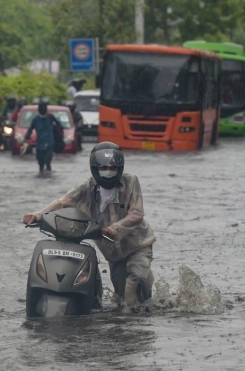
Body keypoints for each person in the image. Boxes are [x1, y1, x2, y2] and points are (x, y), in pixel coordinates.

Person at [23, 142, 155, 308]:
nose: (108, 172)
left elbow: (136, 213)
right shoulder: (87, 187)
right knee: (121, 297)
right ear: (95, 168)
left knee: (137, 279)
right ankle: (127, 321)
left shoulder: (131, 182)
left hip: (138, 244)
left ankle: (140, 319)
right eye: (103, 168)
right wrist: (38, 215)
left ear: (119, 168)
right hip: (113, 252)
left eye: (112, 168)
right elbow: (63, 202)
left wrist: (114, 229)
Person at [23, 98, 64, 176]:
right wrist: (26, 138)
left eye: (44, 109)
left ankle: (48, 173)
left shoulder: (50, 117)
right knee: (40, 163)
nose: (42, 110)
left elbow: (60, 125)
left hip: (50, 143)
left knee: (47, 161)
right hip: (40, 144)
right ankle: (41, 173)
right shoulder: (36, 120)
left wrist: (59, 133)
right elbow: (30, 129)